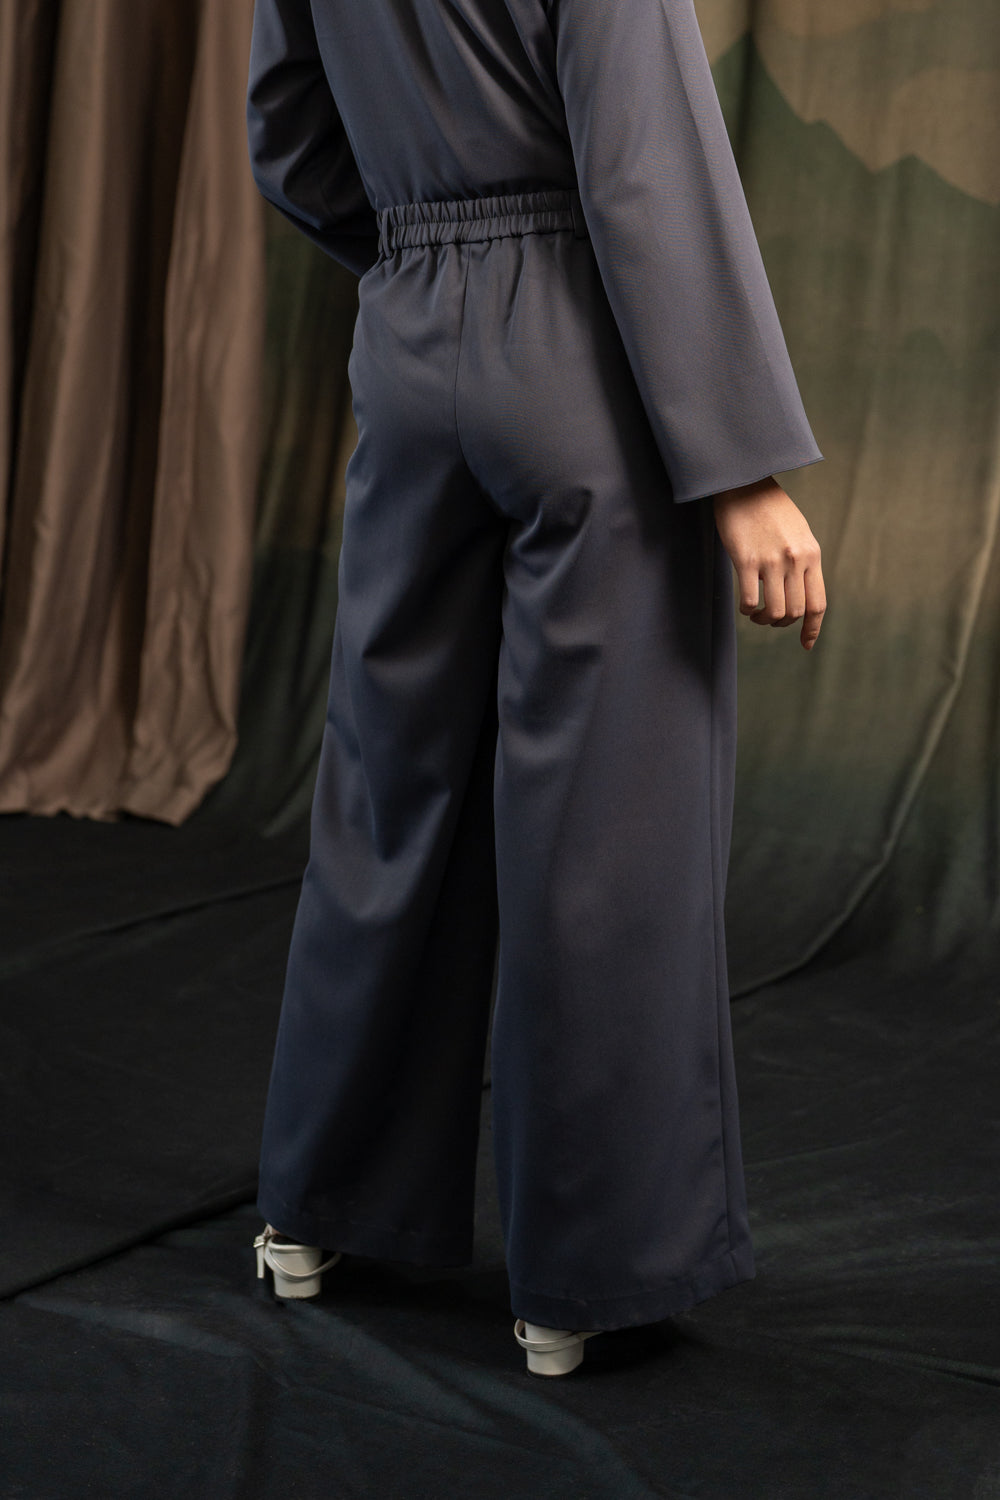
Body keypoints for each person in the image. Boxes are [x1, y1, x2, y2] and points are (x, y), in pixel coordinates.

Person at [246, 0, 827, 1378]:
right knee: (605, 827)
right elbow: (646, 159)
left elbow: (291, 135)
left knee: (389, 795)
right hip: (580, 348)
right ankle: (582, 1276)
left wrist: (428, 265)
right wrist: (742, 468)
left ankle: (317, 1212)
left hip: (409, 336)